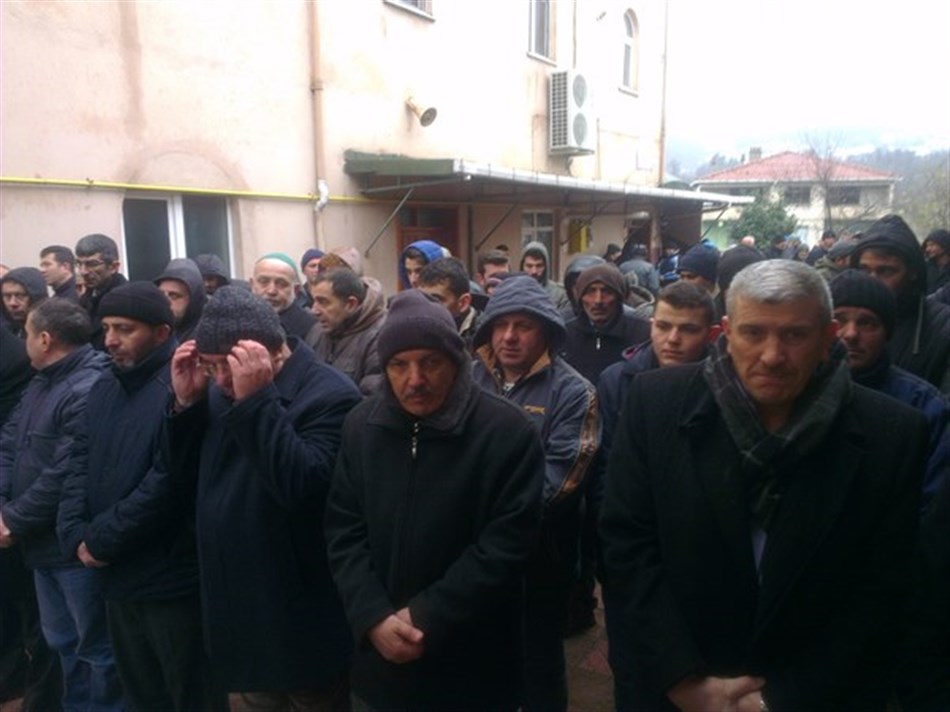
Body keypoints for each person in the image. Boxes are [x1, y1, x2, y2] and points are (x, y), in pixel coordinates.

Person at [600, 259, 929, 712]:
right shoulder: (655, 404)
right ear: (726, 333)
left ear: (828, 337)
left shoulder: (892, 435)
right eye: (754, 333)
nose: (772, 356)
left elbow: (882, 590)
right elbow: (627, 546)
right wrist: (680, 679)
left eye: (795, 335)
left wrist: (779, 700)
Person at [325, 290, 544, 712]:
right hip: (379, 660)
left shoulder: (507, 432)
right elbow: (343, 528)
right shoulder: (361, 426)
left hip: (473, 662)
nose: (415, 380)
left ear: (456, 362)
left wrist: (425, 616)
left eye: (430, 362)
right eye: (399, 365)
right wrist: (372, 615)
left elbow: (506, 545)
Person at [167, 286, 361, 709]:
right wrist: (185, 406)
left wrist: (258, 400)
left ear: (270, 351)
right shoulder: (219, 391)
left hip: (296, 609)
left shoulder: (331, 395)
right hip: (237, 606)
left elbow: (301, 488)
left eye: (228, 364)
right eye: (211, 365)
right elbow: (184, 479)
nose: (221, 379)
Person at [56, 282, 223, 712]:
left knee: (188, 694)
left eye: (125, 329)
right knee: (141, 694)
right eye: (107, 327)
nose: (110, 339)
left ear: (162, 332)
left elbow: (169, 480)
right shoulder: (105, 387)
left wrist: (101, 539)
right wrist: (74, 532)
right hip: (116, 577)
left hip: (169, 580)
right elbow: (79, 460)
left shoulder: (184, 389)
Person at [472, 274, 599, 712]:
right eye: (500, 324)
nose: (509, 336)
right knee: (481, 651)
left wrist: (482, 514)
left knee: (538, 657)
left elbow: (560, 480)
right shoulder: (468, 377)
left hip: (540, 554)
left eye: (523, 325)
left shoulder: (574, 392)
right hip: (470, 549)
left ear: (546, 330)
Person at [595, 280, 716, 710]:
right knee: (633, 664)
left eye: (688, 329)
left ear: (711, 333)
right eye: (663, 326)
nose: (673, 339)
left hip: (697, 553)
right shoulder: (617, 380)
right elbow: (605, 468)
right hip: (629, 544)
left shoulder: (723, 384)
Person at [0, 299, 120, 712]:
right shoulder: (41, 382)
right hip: (40, 545)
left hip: (70, 547)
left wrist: (13, 519)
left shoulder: (89, 387)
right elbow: (9, 444)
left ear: (45, 339)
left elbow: (65, 472)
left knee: (96, 646)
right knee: (62, 640)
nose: (23, 342)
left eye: (27, 334)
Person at [830, 269, 949, 509]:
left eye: (866, 323)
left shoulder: (924, 406)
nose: (851, 334)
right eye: (839, 320)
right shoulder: (793, 393)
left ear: (887, 333)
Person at [850, 214, 950, 392]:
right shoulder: (841, 324)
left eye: (885, 271)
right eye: (864, 270)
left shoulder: (942, 329)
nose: (872, 281)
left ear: (912, 273)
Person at [305, 267, 386, 394]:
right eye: (314, 301)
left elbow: (372, 396)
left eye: (323, 302)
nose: (314, 310)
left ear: (350, 304)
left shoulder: (380, 337)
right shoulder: (317, 331)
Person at [75, 233, 128, 350]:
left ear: (114, 267)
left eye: (92, 264)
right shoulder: (86, 298)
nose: (83, 271)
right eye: (79, 264)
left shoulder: (126, 302)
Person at [417, 257, 482, 350]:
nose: (425, 308)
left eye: (435, 300)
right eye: (422, 299)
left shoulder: (485, 337)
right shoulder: (416, 331)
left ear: (463, 303)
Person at [250, 252, 317, 340]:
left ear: (295, 290)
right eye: (264, 282)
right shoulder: (239, 319)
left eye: (281, 284)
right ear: (252, 285)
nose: (271, 291)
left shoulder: (311, 328)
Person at [154, 257, 207, 342]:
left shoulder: (207, 336)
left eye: (174, 296)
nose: (165, 302)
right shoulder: (153, 332)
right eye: (161, 294)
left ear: (194, 300)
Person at [520, 241, 570, 311]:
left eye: (539, 266)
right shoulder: (513, 293)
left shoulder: (559, 295)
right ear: (522, 266)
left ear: (546, 267)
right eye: (529, 266)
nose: (534, 271)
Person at [1, 268, 48, 338]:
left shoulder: (53, 332)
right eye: (7, 296)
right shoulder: (6, 330)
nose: (12, 303)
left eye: (20, 296)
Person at [923, 228, 950, 295]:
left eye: (932, 245)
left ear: (944, 246)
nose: (928, 249)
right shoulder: (925, 267)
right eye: (927, 246)